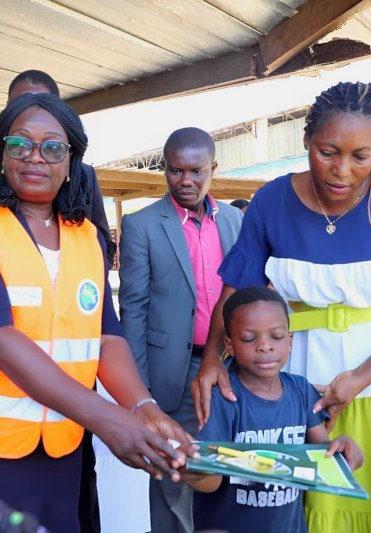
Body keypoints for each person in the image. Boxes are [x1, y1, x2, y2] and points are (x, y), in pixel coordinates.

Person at [192, 81, 371, 531]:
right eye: (328, 151)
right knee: (313, 512)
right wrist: (211, 361)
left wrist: (360, 379)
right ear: (306, 141)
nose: (342, 170)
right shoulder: (270, 202)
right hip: (302, 396)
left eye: (361, 156)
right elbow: (236, 292)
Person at [0, 92, 194, 532]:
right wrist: (106, 420)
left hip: (57, 448)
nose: (35, 157)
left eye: (53, 147)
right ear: (2, 155)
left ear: (70, 163)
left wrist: (145, 408)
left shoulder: (86, 236)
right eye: (20, 144)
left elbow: (106, 335)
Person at [117, 127, 242, 532]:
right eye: (174, 171)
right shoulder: (143, 225)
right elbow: (133, 308)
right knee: (175, 480)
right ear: (164, 169)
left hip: (230, 368)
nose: (185, 181)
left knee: (228, 470)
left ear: (213, 169)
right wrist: (139, 391)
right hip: (174, 373)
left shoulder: (236, 219)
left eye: (195, 171)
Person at [182, 286, 363, 533]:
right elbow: (210, 482)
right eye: (249, 338)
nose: (264, 346)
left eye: (276, 336)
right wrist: (192, 472)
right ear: (230, 344)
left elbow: (321, 453)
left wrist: (343, 451)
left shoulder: (300, 390)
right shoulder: (223, 397)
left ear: (290, 340)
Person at [0, 69, 114, 262]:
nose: (35, 158)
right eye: (21, 103)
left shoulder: (83, 174)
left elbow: (103, 244)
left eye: (42, 103)